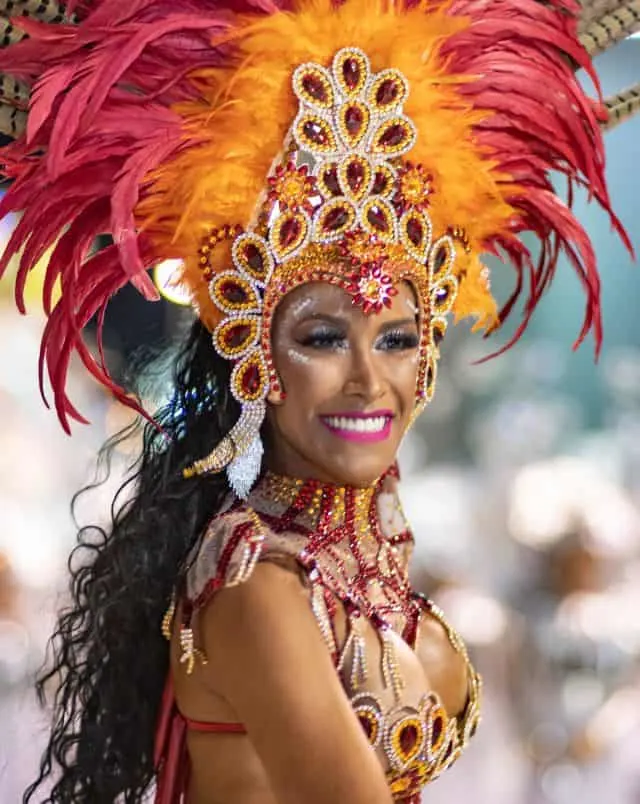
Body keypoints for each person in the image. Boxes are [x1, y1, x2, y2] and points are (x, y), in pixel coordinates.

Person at [0, 1, 634, 803]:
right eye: (325, 339)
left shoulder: (360, 562)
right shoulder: (254, 583)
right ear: (258, 357)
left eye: (397, 339)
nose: (370, 380)